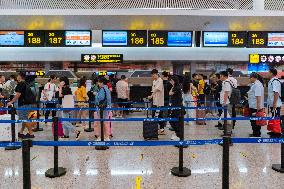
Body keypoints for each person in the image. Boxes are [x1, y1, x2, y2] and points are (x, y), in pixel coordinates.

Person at [7, 72, 36, 139]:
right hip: (30, 104)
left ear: (20, 76)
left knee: (24, 118)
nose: (17, 77)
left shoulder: (20, 83)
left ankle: (31, 133)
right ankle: (21, 132)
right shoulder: (26, 83)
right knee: (25, 118)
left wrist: (11, 102)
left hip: (24, 104)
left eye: (18, 76)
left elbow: (18, 95)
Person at [148, 69, 165, 135]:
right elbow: (153, 90)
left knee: (160, 115)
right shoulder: (154, 81)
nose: (152, 76)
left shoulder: (160, 80)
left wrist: (151, 95)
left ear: (156, 74)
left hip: (159, 102)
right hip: (155, 101)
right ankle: (155, 128)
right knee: (154, 115)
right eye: (152, 75)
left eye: (153, 75)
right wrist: (151, 96)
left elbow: (157, 89)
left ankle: (162, 129)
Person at [247, 73, 264, 137]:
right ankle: (255, 133)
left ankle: (256, 134)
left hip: (255, 107)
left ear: (253, 77)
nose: (249, 79)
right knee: (254, 121)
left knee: (255, 121)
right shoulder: (256, 84)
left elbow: (258, 96)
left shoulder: (257, 85)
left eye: (250, 78)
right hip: (254, 105)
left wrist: (258, 107)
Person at [267, 68, 282, 138]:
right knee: (273, 117)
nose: (267, 73)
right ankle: (273, 131)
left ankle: (277, 133)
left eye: (268, 72)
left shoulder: (275, 81)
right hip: (272, 103)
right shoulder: (271, 81)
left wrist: (275, 103)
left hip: (275, 103)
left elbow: (276, 92)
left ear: (272, 73)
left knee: (276, 117)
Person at [169, 76, 183, 140]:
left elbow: (170, 93)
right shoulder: (176, 87)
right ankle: (177, 133)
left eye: (171, 80)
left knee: (175, 120)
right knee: (172, 120)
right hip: (175, 105)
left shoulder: (177, 87)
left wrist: (172, 86)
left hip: (177, 106)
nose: (170, 82)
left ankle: (178, 134)